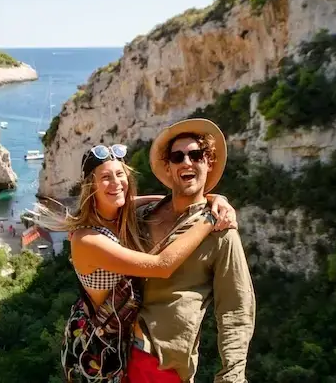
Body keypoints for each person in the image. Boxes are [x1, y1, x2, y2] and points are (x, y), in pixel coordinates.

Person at [36, 142, 239, 382]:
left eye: (120, 174)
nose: (116, 183)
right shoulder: (87, 239)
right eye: (105, 178)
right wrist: (209, 218)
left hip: (124, 341)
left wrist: (216, 198)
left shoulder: (121, 210)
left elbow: (173, 199)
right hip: (101, 350)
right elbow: (161, 266)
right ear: (91, 186)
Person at [127, 118, 255, 383]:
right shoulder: (143, 217)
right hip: (115, 354)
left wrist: (232, 376)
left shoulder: (220, 232)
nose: (186, 162)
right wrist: (216, 198)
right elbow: (105, 210)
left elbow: (235, 309)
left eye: (196, 155)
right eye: (177, 157)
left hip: (162, 365)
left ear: (208, 163)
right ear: (169, 167)